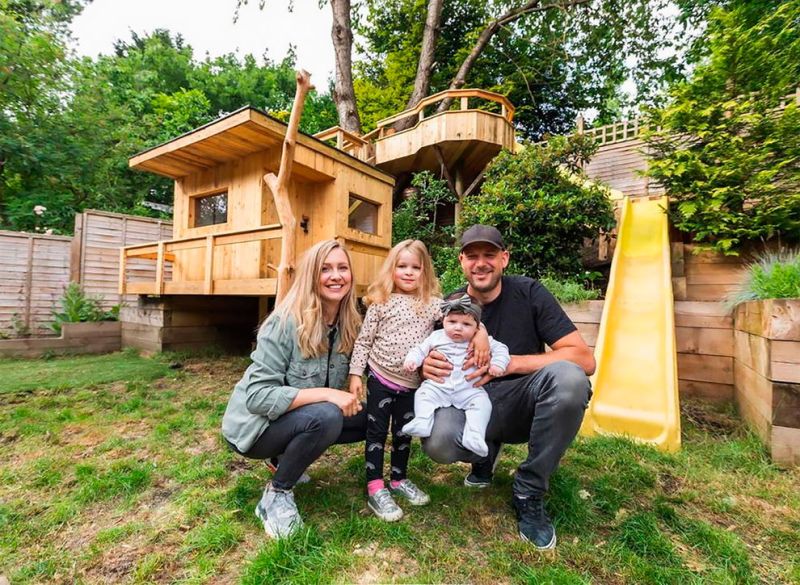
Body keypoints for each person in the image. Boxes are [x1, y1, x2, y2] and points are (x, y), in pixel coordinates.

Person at [420, 224, 595, 550]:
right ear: (461, 261)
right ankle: (484, 453)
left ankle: (529, 489)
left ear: (504, 259)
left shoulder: (529, 293)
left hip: (525, 402)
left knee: (570, 381)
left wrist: (510, 364)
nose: (480, 263)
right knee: (437, 442)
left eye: (489, 255)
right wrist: (425, 367)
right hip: (473, 404)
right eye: (472, 256)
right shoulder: (451, 306)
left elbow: (584, 359)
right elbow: (427, 357)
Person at [221, 239, 366, 539]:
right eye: (325, 269)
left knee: (372, 413)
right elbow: (258, 397)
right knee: (327, 415)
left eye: (342, 268)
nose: (336, 276)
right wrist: (329, 394)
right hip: (254, 430)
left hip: (294, 419)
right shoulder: (284, 323)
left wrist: (356, 375)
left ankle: (282, 462)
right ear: (311, 276)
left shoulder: (348, 322)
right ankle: (276, 496)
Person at [348, 240, 490, 522]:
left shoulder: (434, 305)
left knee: (404, 433)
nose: (409, 272)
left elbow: (465, 316)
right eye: (402, 266)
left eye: (416, 267)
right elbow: (363, 342)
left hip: (412, 384)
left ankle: (399, 480)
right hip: (380, 377)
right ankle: (375, 485)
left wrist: (482, 332)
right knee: (376, 433)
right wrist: (355, 374)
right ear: (392, 269)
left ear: (425, 272)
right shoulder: (380, 303)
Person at [402, 293, 510, 458]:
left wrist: (498, 365)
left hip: (468, 389)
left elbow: (501, 349)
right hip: (439, 387)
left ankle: (474, 435)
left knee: (482, 404)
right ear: (444, 320)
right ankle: (423, 420)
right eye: (452, 321)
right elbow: (419, 349)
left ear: (477, 326)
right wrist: (413, 360)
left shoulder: (483, 340)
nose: (458, 328)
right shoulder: (436, 337)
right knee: (423, 394)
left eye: (466, 324)